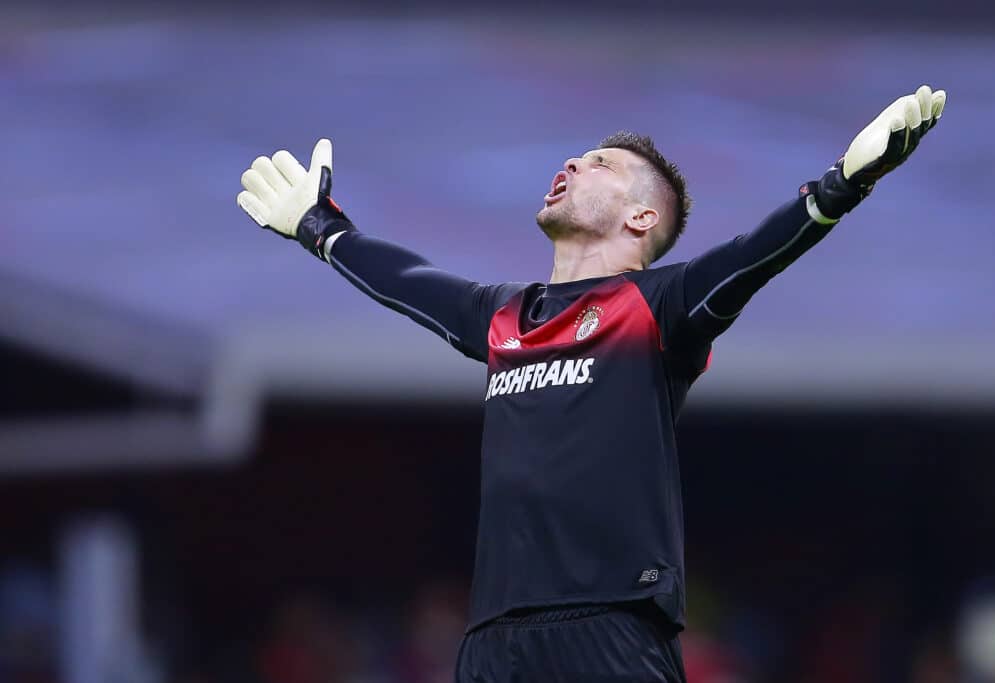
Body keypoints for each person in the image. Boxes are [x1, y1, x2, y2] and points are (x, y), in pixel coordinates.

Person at [237, 86, 946, 683]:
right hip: (491, 642)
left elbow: (752, 257)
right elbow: (411, 283)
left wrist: (841, 185)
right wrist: (319, 226)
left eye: (600, 163)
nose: (573, 161)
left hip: (610, 632)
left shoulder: (660, 308)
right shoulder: (503, 316)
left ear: (642, 217)